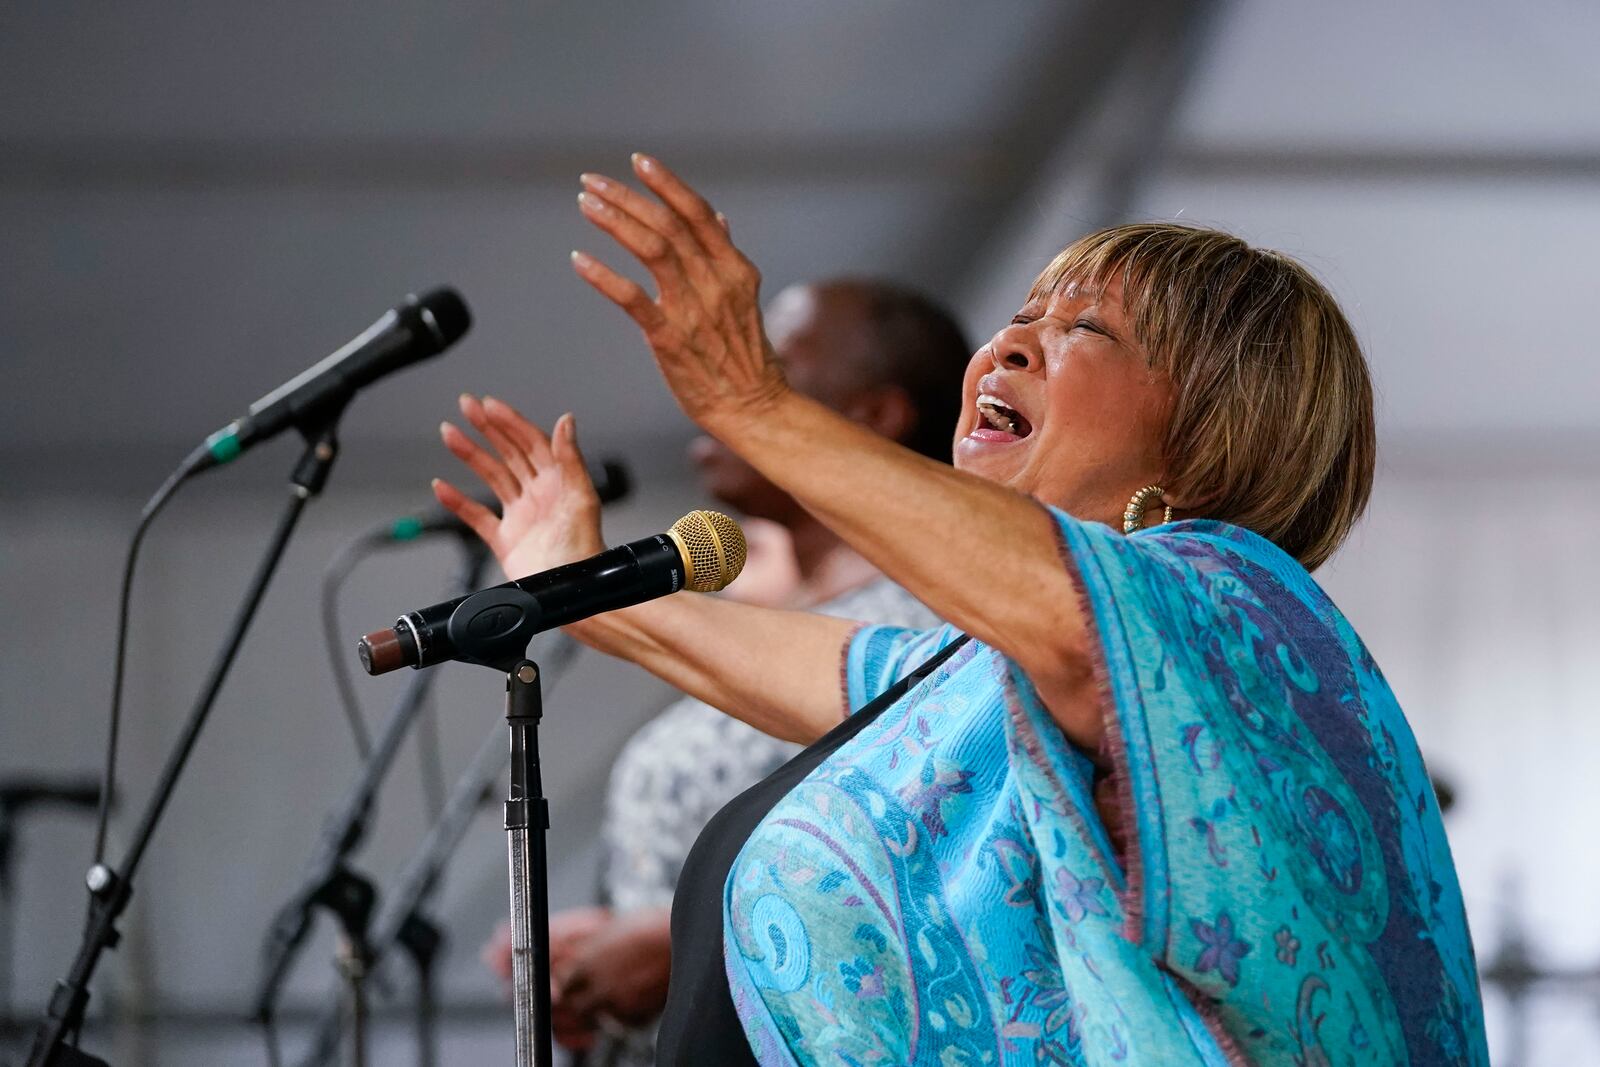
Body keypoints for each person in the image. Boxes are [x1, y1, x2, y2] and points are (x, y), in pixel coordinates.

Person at [434, 156, 1488, 1064]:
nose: (1013, 344)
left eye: (1085, 328)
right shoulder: (988, 672)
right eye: (1022, 314)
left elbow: (1071, 613)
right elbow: (791, 663)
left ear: (1214, 424)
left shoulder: (1231, 606)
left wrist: (755, 406)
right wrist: (561, 580)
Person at [469, 277, 972, 1062]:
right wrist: (610, 939)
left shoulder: (935, 621)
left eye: (767, 372)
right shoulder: (775, 610)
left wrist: (682, 944)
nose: (710, 404)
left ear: (876, 413)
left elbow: (927, 868)